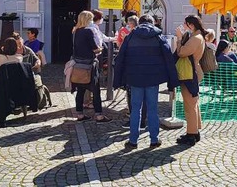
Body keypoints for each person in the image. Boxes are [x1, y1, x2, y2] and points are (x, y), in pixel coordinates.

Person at [114, 14, 178, 149]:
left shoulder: (130, 36)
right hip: (153, 78)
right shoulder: (158, 36)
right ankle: (154, 139)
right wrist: (171, 81)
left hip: (135, 78)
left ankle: (133, 140)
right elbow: (168, 59)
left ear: (139, 23)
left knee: (135, 109)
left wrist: (118, 80)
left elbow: (120, 58)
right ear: (153, 23)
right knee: (153, 109)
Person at [72, 11, 112, 123]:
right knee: (96, 90)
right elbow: (95, 48)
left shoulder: (75, 31)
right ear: (88, 19)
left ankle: (79, 114)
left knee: (80, 90)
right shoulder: (88, 31)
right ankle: (99, 115)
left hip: (78, 64)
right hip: (89, 64)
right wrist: (100, 49)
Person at [174, 15, 207, 146]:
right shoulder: (198, 37)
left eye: (185, 24)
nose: (183, 27)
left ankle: (191, 134)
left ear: (191, 25)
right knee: (193, 103)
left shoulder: (195, 38)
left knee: (190, 105)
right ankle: (195, 131)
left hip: (190, 73)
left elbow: (181, 52)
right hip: (193, 71)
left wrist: (179, 38)